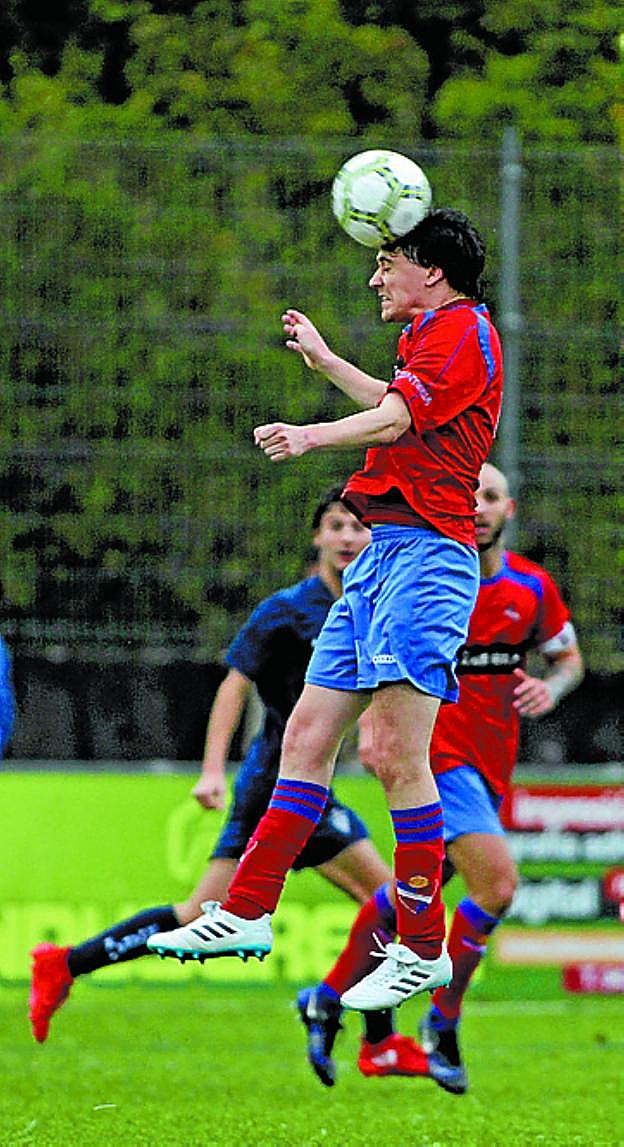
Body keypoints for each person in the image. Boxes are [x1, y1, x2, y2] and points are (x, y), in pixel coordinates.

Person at [147, 207, 504, 1014]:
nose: (375, 277)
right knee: (305, 737)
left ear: (432, 271)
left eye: (387, 263)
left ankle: (423, 948)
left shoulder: (463, 330)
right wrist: (328, 360)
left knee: (393, 754)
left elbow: (396, 419)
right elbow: (398, 403)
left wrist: (310, 436)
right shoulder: (429, 337)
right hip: (382, 558)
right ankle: (244, 908)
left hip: (428, 563)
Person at [28, 489, 391, 1044]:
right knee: (383, 902)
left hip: (313, 784)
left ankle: (66, 963)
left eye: (358, 527)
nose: (347, 537)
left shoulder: (371, 605)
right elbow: (233, 685)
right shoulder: (287, 611)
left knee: (378, 904)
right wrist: (213, 770)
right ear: (317, 537)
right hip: (276, 785)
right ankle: (368, 1035)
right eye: (336, 526)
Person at [297, 462, 584, 1091]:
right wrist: (371, 727)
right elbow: (369, 656)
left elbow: (568, 658)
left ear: (509, 510)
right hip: (434, 759)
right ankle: (442, 1024)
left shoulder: (531, 587)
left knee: (411, 894)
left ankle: (326, 998)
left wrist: (553, 687)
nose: (477, 506)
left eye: (491, 496)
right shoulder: (423, 579)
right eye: (468, 493)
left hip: (490, 764)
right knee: (498, 885)